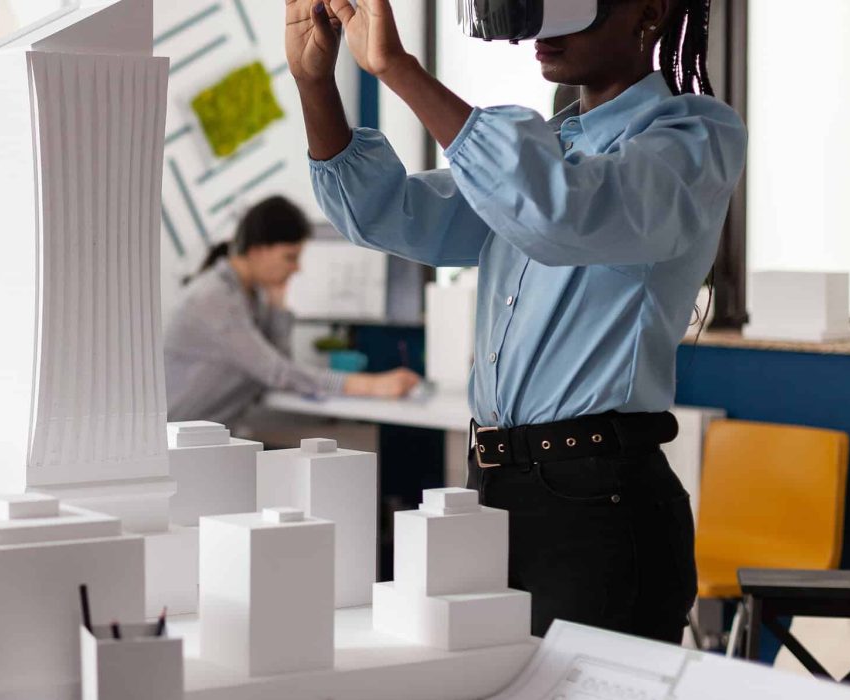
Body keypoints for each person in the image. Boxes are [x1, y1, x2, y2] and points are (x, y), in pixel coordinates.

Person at [287, 0, 745, 642]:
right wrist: (314, 81)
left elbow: (560, 210)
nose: (544, 30)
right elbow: (388, 211)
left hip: (598, 499)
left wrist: (399, 69)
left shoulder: (693, 137)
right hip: (493, 489)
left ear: (649, 11)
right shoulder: (548, 146)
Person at [165, 195, 421, 428]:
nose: (297, 269)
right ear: (258, 251)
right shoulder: (214, 299)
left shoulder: (249, 296)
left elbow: (278, 362)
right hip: (172, 444)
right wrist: (371, 385)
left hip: (203, 439)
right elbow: (276, 372)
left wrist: (278, 307)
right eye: (290, 257)